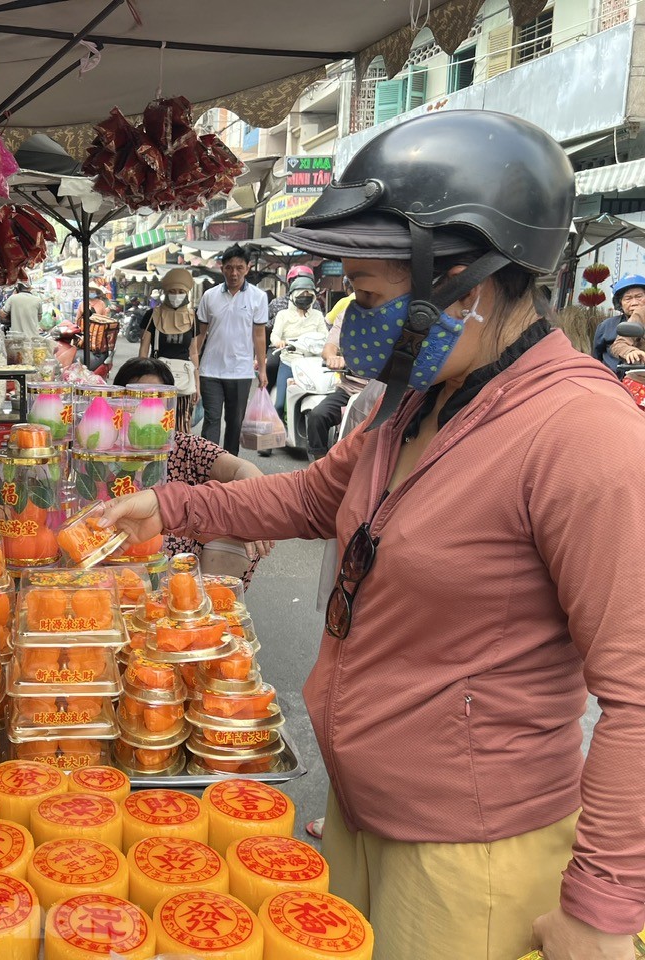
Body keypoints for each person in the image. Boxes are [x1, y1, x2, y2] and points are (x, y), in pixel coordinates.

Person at [97, 111, 645, 960]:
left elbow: (638, 692)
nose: (355, 316)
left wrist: (601, 905)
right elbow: (313, 497)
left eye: (371, 294)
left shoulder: (582, 434)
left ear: (464, 283)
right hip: (363, 815)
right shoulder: (421, 403)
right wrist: (171, 508)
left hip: (471, 856)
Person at [114, 358, 272, 566]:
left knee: (238, 520)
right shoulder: (103, 453)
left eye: (157, 399)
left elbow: (242, 468)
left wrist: (256, 508)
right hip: (114, 560)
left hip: (178, 574)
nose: (148, 409)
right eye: (138, 399)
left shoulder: (185, 447)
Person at [194, 244, 268, 454]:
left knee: (235, 422)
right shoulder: (209, 296)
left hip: (241, 371)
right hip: (210, 370)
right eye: (229, 268)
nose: (234, 273)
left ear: (248, 268)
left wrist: (261, 369)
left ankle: (229, 469)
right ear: (222, 268)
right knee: (212, 420)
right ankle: (207, 465)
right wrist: (194, 367)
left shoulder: (258, 297)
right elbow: (200, 334)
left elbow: (259, 335)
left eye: (239, 267)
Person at [136, 267, 200, 431]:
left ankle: (180, 456)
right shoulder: (153, 315)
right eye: (172, 291)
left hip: (184, 380)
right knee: (154, 423)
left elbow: (193, 353)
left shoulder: (192, 317)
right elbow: (143, 351)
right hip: (157, 379)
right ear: (165, 292)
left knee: (181, 425)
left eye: (180, 291)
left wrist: (197, 385)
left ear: (186, 293)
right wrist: (139, 381)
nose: (176, 295)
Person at [305, 318, 370, 459]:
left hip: (384, 391)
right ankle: (320, 469)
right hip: (350, 390)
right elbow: (330, 347)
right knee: (317, 416)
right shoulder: (349, 315)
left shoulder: (398, 315)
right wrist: (332, 358)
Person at [270, 275, 328, 414]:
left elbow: (325, 335)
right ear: (293, 295)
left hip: (312, 364)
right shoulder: (283, 315)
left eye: (309, 294)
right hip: (289, 361)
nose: (306, 296)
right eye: (302, 294)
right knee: (279, 405)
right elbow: (275, 334)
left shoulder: (317, 315)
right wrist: (279, 342)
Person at [593, 276, 645, 373]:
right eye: (628, 298)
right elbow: (597, 355)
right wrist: (630, 352)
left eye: (639, 297)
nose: (634, 303)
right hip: (613, 379)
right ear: (620, 303)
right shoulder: (607, 326)